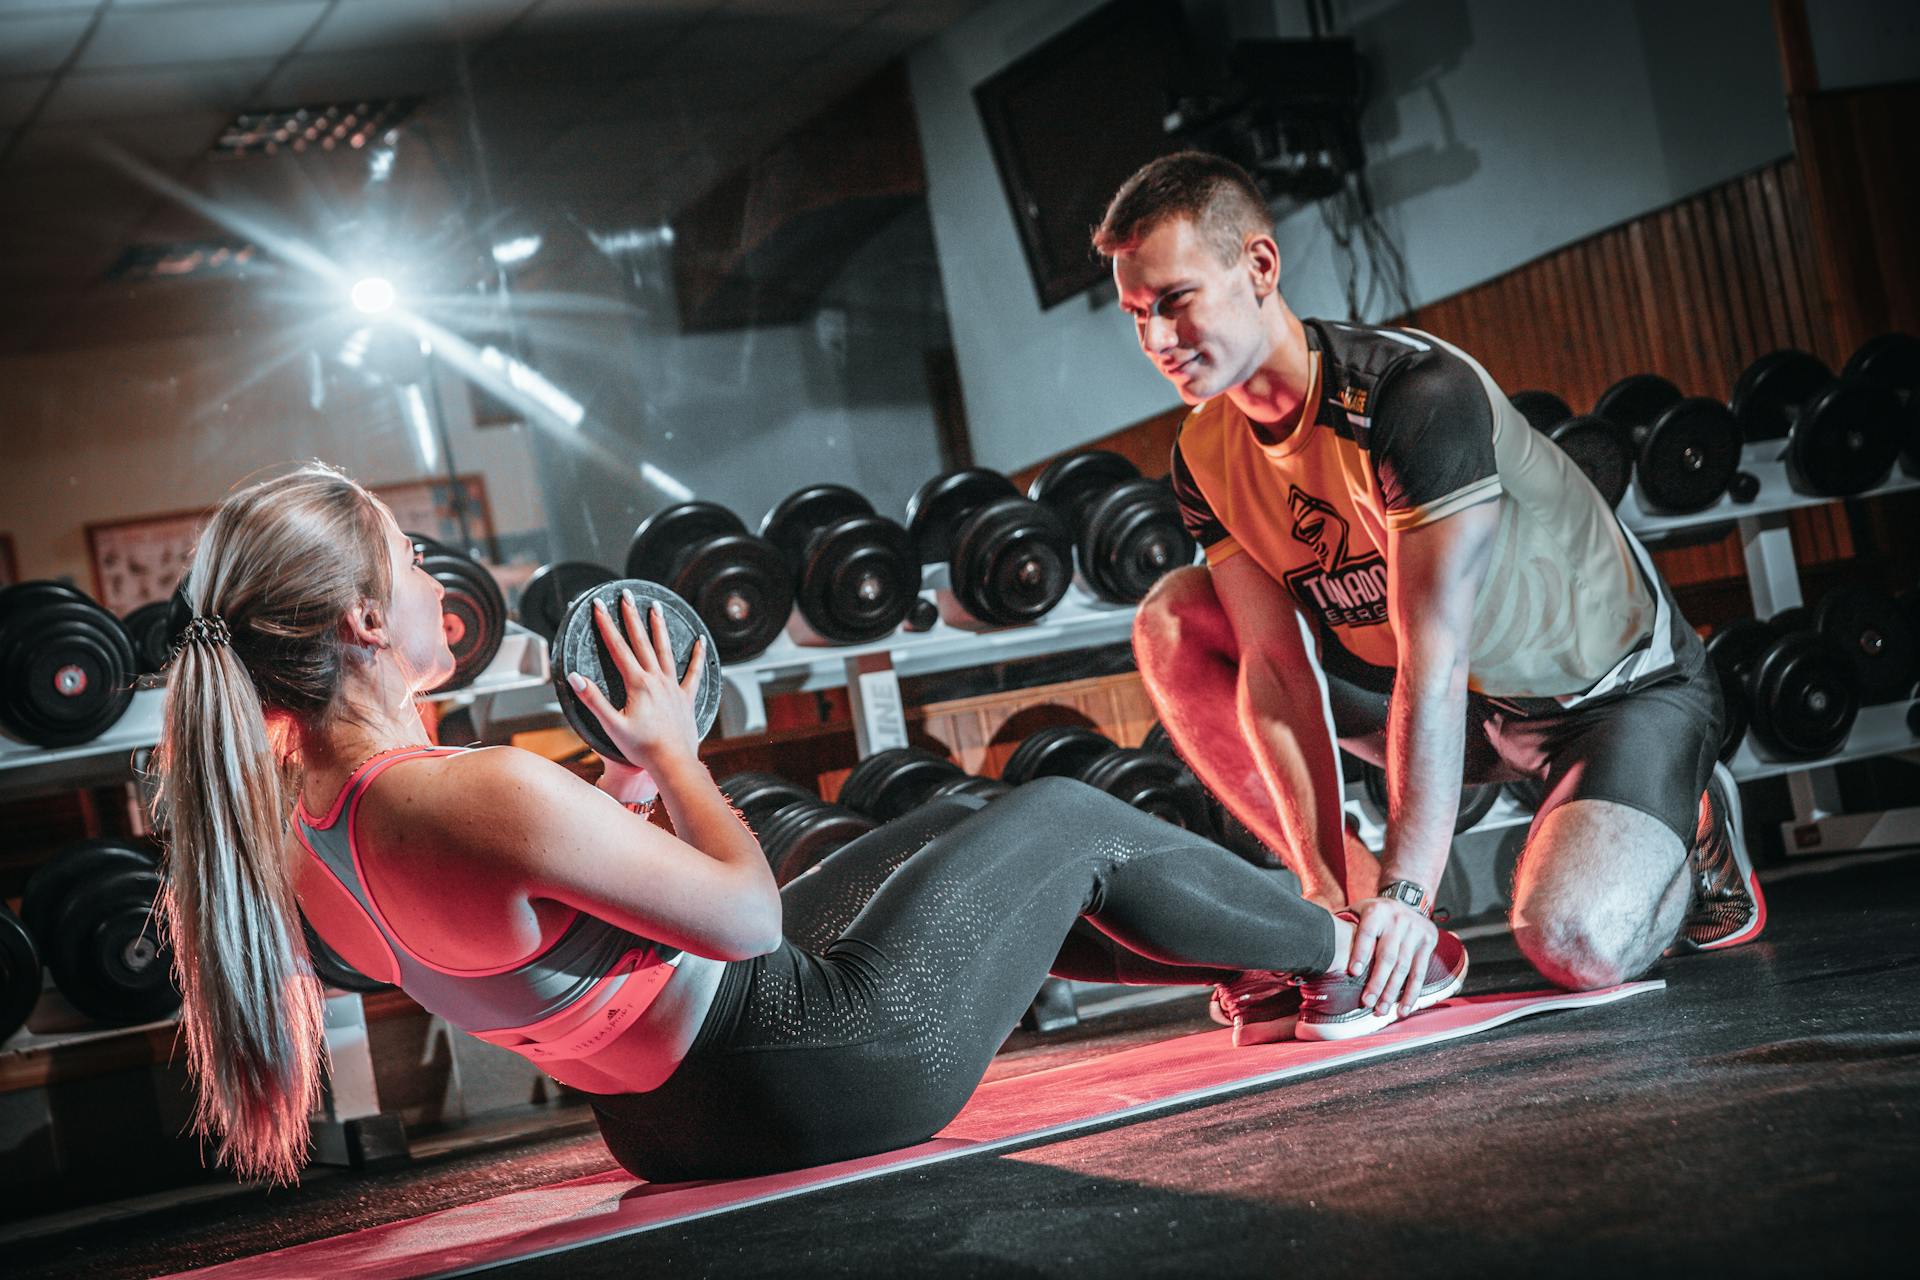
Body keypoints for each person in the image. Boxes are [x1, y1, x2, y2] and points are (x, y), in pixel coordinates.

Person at [150, 461, 1442, 1188]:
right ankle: (1359, 959)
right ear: (364, 627)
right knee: (1061, 815)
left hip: (665, 1123)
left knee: (954, 832)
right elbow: (749, 913)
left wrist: (625, 792)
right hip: (812, 1066)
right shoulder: (471, 789)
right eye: (411, 562)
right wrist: (669, 749)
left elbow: (544, 940)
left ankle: (1259, 960)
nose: (440, 582)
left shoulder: (294, 831)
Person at [1090, 152, 1764, 1045]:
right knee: (1177, 620)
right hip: (1444, 702)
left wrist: (1410, 896)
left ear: (1258, 267)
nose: (1158, 341)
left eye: (1175, 301)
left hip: (1605, 701)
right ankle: (1353, 902)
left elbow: (1435, 660)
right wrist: (1329, 904)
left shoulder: (1413, 397)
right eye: (1138, 316)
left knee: (1574, 943)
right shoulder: (1205, 452)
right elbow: (1278, 674)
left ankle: (1687, 812)